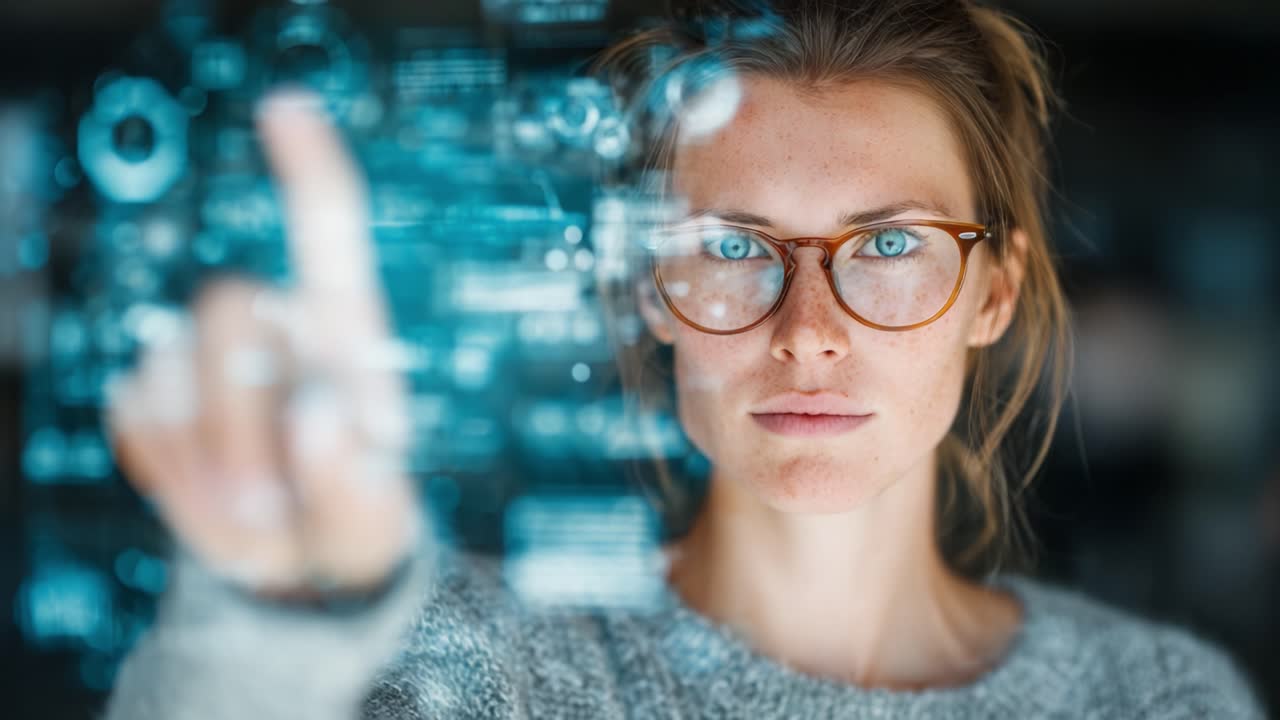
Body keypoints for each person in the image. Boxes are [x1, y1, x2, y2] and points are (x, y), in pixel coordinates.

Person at [102, 1, 1267, 717]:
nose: (808, 327)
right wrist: (268, 611)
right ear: (644, 287)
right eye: (729, 245)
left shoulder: (1154, 700)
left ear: (991, 291)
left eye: (892, 244)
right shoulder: (478, 670)